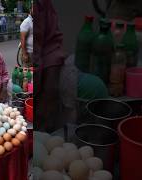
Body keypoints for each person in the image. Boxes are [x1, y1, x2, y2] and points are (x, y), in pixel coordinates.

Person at [35, 0, 109, 132]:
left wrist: (49, 92)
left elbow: (51, 44)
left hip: (45, 73)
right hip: (29, 80)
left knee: (96, 88)